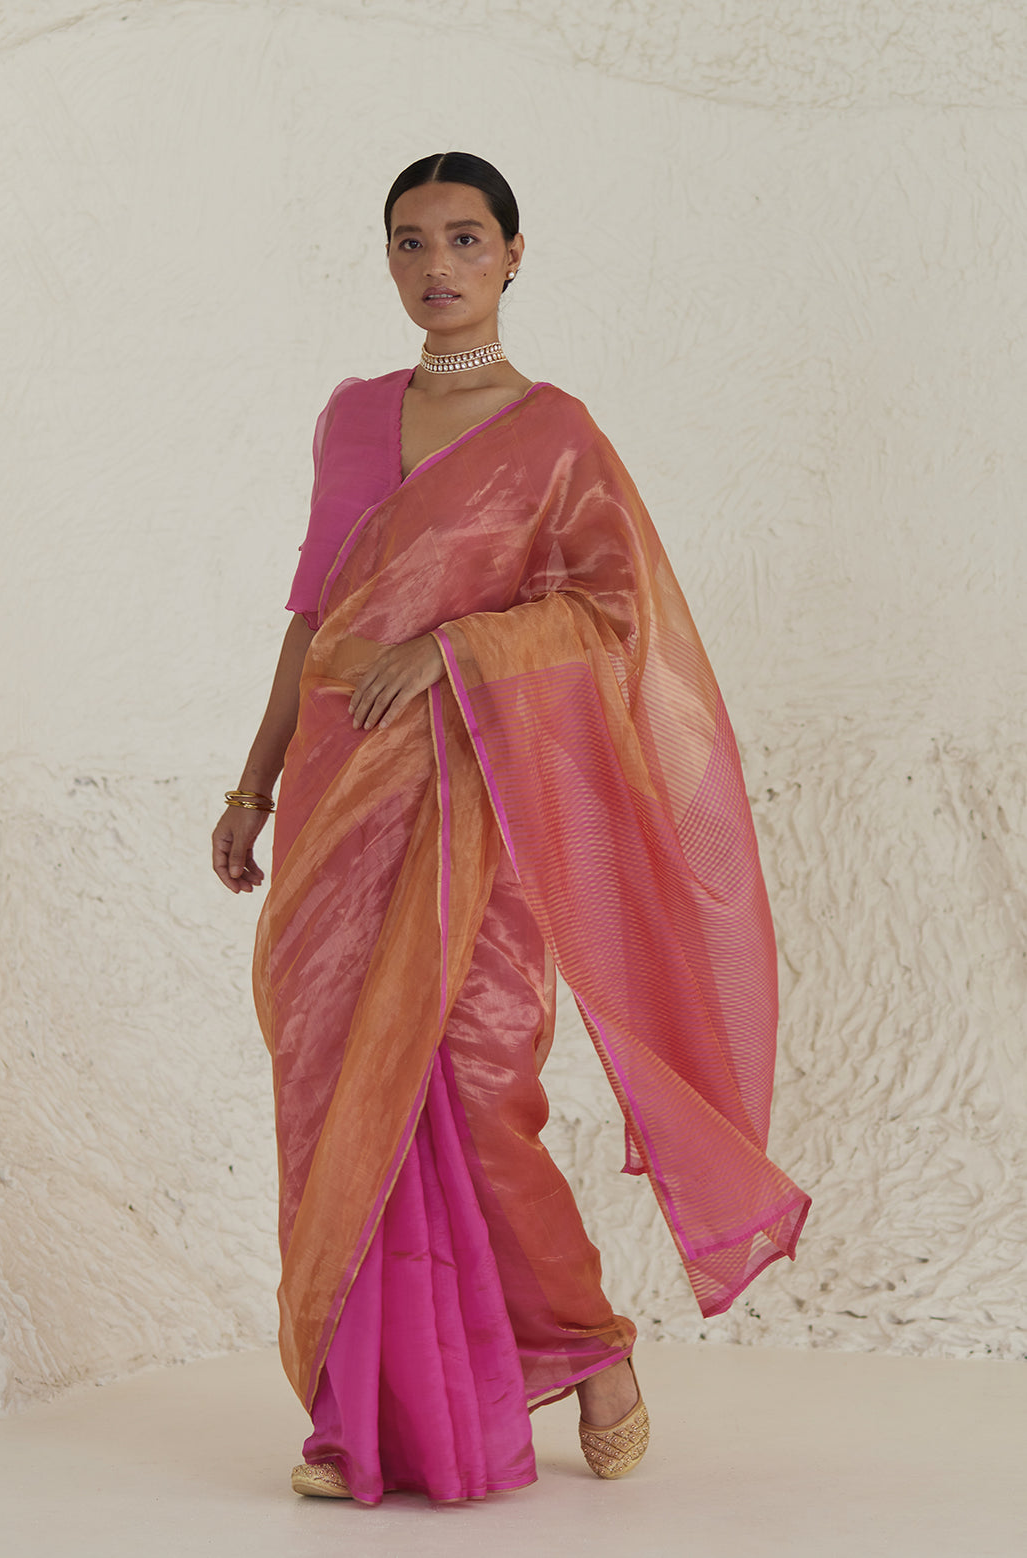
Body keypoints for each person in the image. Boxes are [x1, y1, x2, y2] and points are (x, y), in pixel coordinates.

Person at [212, 151, 810, 1507]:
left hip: (479, 800)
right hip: (338, 797)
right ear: (388, 260)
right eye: (411, 242)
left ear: (515, 255)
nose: (438, 268)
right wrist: (252, 786)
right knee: (336, 1090)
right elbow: (314, 618)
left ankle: (591, 1344)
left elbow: (611, 617)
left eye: (465, 240)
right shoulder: (352, 417)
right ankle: (372, 1414)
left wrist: (460, 648)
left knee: (478, 1089)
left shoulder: (557, 436)